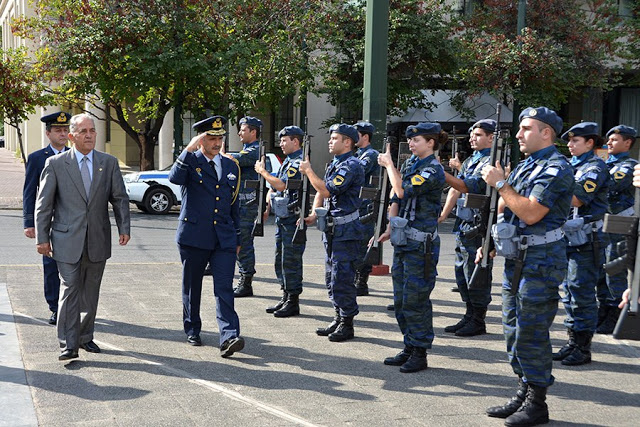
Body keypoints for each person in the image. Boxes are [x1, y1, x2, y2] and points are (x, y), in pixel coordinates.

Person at [480, 107, 573, 426]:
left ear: (546, 132)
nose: (519, 134)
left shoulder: (556, 167)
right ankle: (523, 389)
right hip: (517, 258)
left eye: (526, 129)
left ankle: (537, 402)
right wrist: (490, 243)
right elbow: (507, 208)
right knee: (512, 329)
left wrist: (502, 184)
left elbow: (531, 213)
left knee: (531, 332)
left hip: (541, 261)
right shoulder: (527, 165)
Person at [34, 113, 130, 361]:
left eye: (93, 131)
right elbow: (43, 205)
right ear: (71, 135)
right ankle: (68, 343)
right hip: (67, 240)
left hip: (97, 239)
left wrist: (124, 228)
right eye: (84, 131)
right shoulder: (56, 164)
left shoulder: (108, 163)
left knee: (91, 292)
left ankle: (86, 337)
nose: (89, 135)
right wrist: (42, 237)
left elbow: (119, 198)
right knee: (70, 289)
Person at [168, 115, 244, 357]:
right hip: (194, 234)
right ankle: (192, 328)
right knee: (193, 285)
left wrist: (238, 238)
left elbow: (234, 206)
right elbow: (174, 178)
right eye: (211, 138)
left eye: (220, 138)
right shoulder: (190, 161)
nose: (217, 143)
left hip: (223, 236)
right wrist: (188, 150)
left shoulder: (231, 165)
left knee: (224, 287)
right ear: (200, 140)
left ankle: (229, 335)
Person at [377, 122, 445, 373]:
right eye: (411, 140)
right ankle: (408, 345)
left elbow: (402, 190)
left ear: (431, 143)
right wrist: (390, 226)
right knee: (401, 299)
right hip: (405, 240)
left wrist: (389, 166)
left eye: (417, 140)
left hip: (422, 245)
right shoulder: (411, 165)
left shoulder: (433, 170)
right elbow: (396, 199)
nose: (412, 144)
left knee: (416, 299)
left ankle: (420, 350)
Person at [551, 122, 609, 366]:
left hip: (587, 240)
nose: (571, 145)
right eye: (570, 141)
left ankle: (583, 347)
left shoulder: (594, 168)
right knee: (569, 292)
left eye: (576, 141)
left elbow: (577, 199)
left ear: (590, 143)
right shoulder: (570, 165)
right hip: (569, 237)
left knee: (581, 293)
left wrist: (551, 190)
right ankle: (572, 341)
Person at [299, 124, 364, 342]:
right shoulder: (336, 164)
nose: (330, 141)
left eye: (335, 138)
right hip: (333, 229)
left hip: (347, 231)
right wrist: (314, 214)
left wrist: (308, 170)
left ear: (348, 142)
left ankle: (347, 322)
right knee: (331, 276)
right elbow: (323, 193)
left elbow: (326, 189)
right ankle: (338, 316)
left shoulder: (351, 165)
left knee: (342, 278)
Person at [439, 119, 495, 337]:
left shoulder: (490, 163)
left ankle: (478, 319)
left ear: (492, 138)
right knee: (462, 273)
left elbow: (465, 185)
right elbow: (455, 188)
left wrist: (441, 172)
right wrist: (444, 214)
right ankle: (469, 314)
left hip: (479, 225)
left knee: (476, 273)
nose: (472, 137)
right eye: (472, 134)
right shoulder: (473, 159)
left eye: (478, 135)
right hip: (465, 223)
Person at [23, 111, 71, 325]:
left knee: (73, 265)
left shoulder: (74, 155)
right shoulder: (36, 158)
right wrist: (29, 222)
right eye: (58, 130)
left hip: (71, 221)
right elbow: (29, 192)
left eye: (65, 130)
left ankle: (72, 306)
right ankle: (54, 307)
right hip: (48, 221)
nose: (63, 134)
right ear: (48, 133)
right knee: (50, 266)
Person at [255, 125, 306, 317]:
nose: (281, 144)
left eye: (285, 140)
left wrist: (262, 172)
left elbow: (282, 184)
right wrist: (268, 203)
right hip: (283, 217)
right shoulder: (288, 161)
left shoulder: (297, 162)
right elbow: (276, 187)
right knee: (280, 259)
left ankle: (293, 300)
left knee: (290, 260)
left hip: (293, 218)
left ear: (296, 141)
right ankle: (285, 296)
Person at [597, 125, 638, 334]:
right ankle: (604, 309)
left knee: (616, 270)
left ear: (627, 143)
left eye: (614, 140)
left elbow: (613, 185)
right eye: (608, 140)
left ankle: (616, 313)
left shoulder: (628, 165)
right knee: (604, 269)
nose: (608, 143)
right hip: (606, 225)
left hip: (621, 225)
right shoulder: (606, 164)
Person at [232, 116, 262, 298]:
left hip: (247, 204)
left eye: (243, 130)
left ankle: (246, 281)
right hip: (239, 203)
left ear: (253, 132)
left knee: (244, 242)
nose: (239, 133)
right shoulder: (247, 149)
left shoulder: (255, 150)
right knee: (237, 241)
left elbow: (235, 159)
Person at [353, 121, 380, 296]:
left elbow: (357, 172)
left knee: (363, 245)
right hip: (357, 206)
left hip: (365, 207)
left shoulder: (370, 155)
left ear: (365, 136)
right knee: (356, 245)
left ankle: (361, 282)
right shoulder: (358, 154)